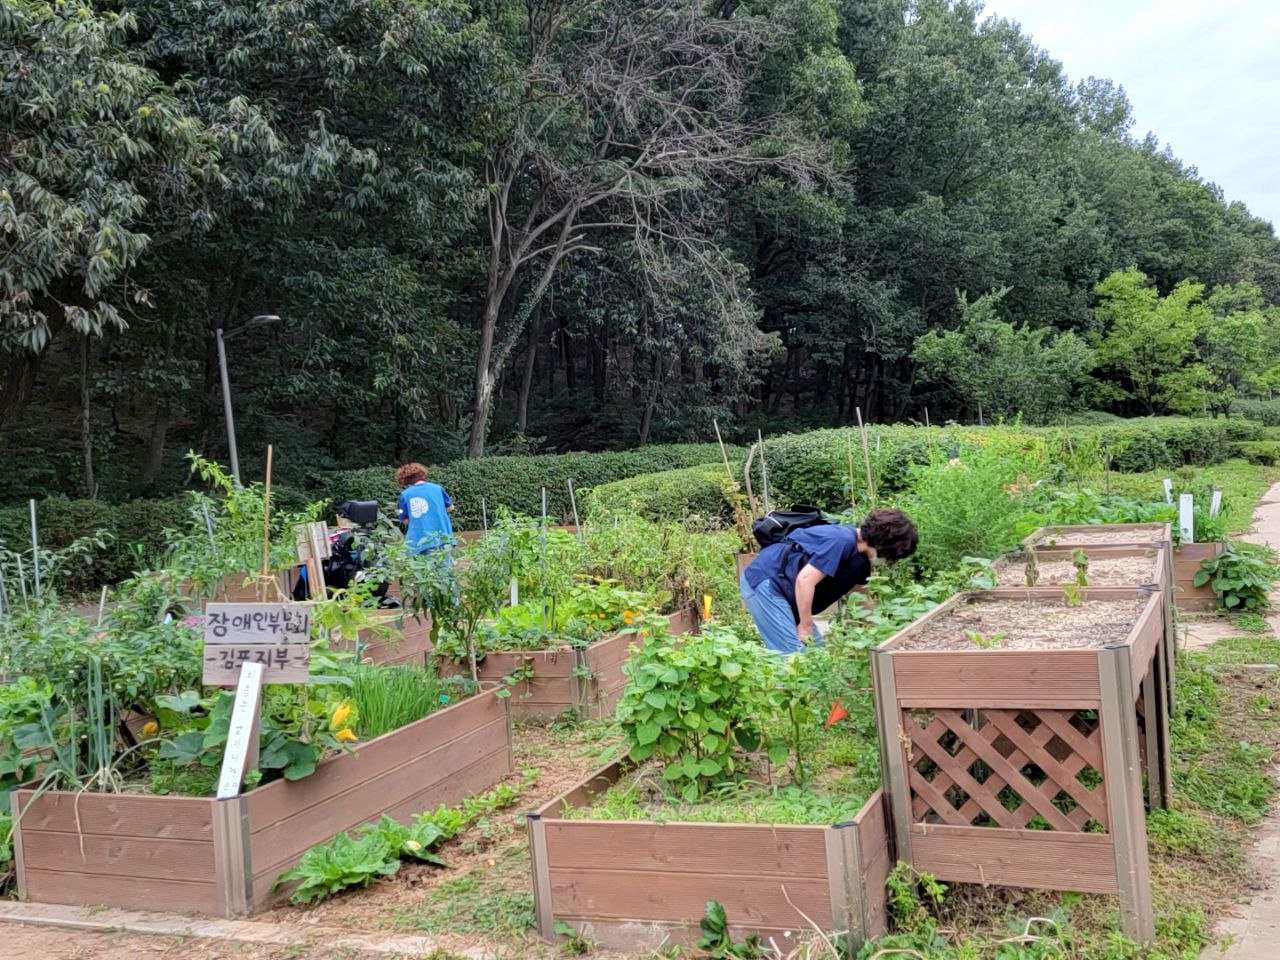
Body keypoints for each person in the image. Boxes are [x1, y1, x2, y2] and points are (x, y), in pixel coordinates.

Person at [739, 508, 918, 655]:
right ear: (886, 544)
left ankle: (814, 697)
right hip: (767, 583)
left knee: (817, 655)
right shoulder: (841, 541)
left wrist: (876, 635)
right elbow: (805, 580)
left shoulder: (862, 559)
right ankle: (788, 695)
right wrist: (805, 625)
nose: (890, 560)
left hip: (787, 591)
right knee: (791, 656)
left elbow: (863, 600)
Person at [396, 462, 456, 555]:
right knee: (444, 568)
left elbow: (405, 521)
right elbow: (450, 507)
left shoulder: (405, 494)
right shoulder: (438, 488)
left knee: (422, 568)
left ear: (406, 481)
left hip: (419, 541)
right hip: (443, 538)